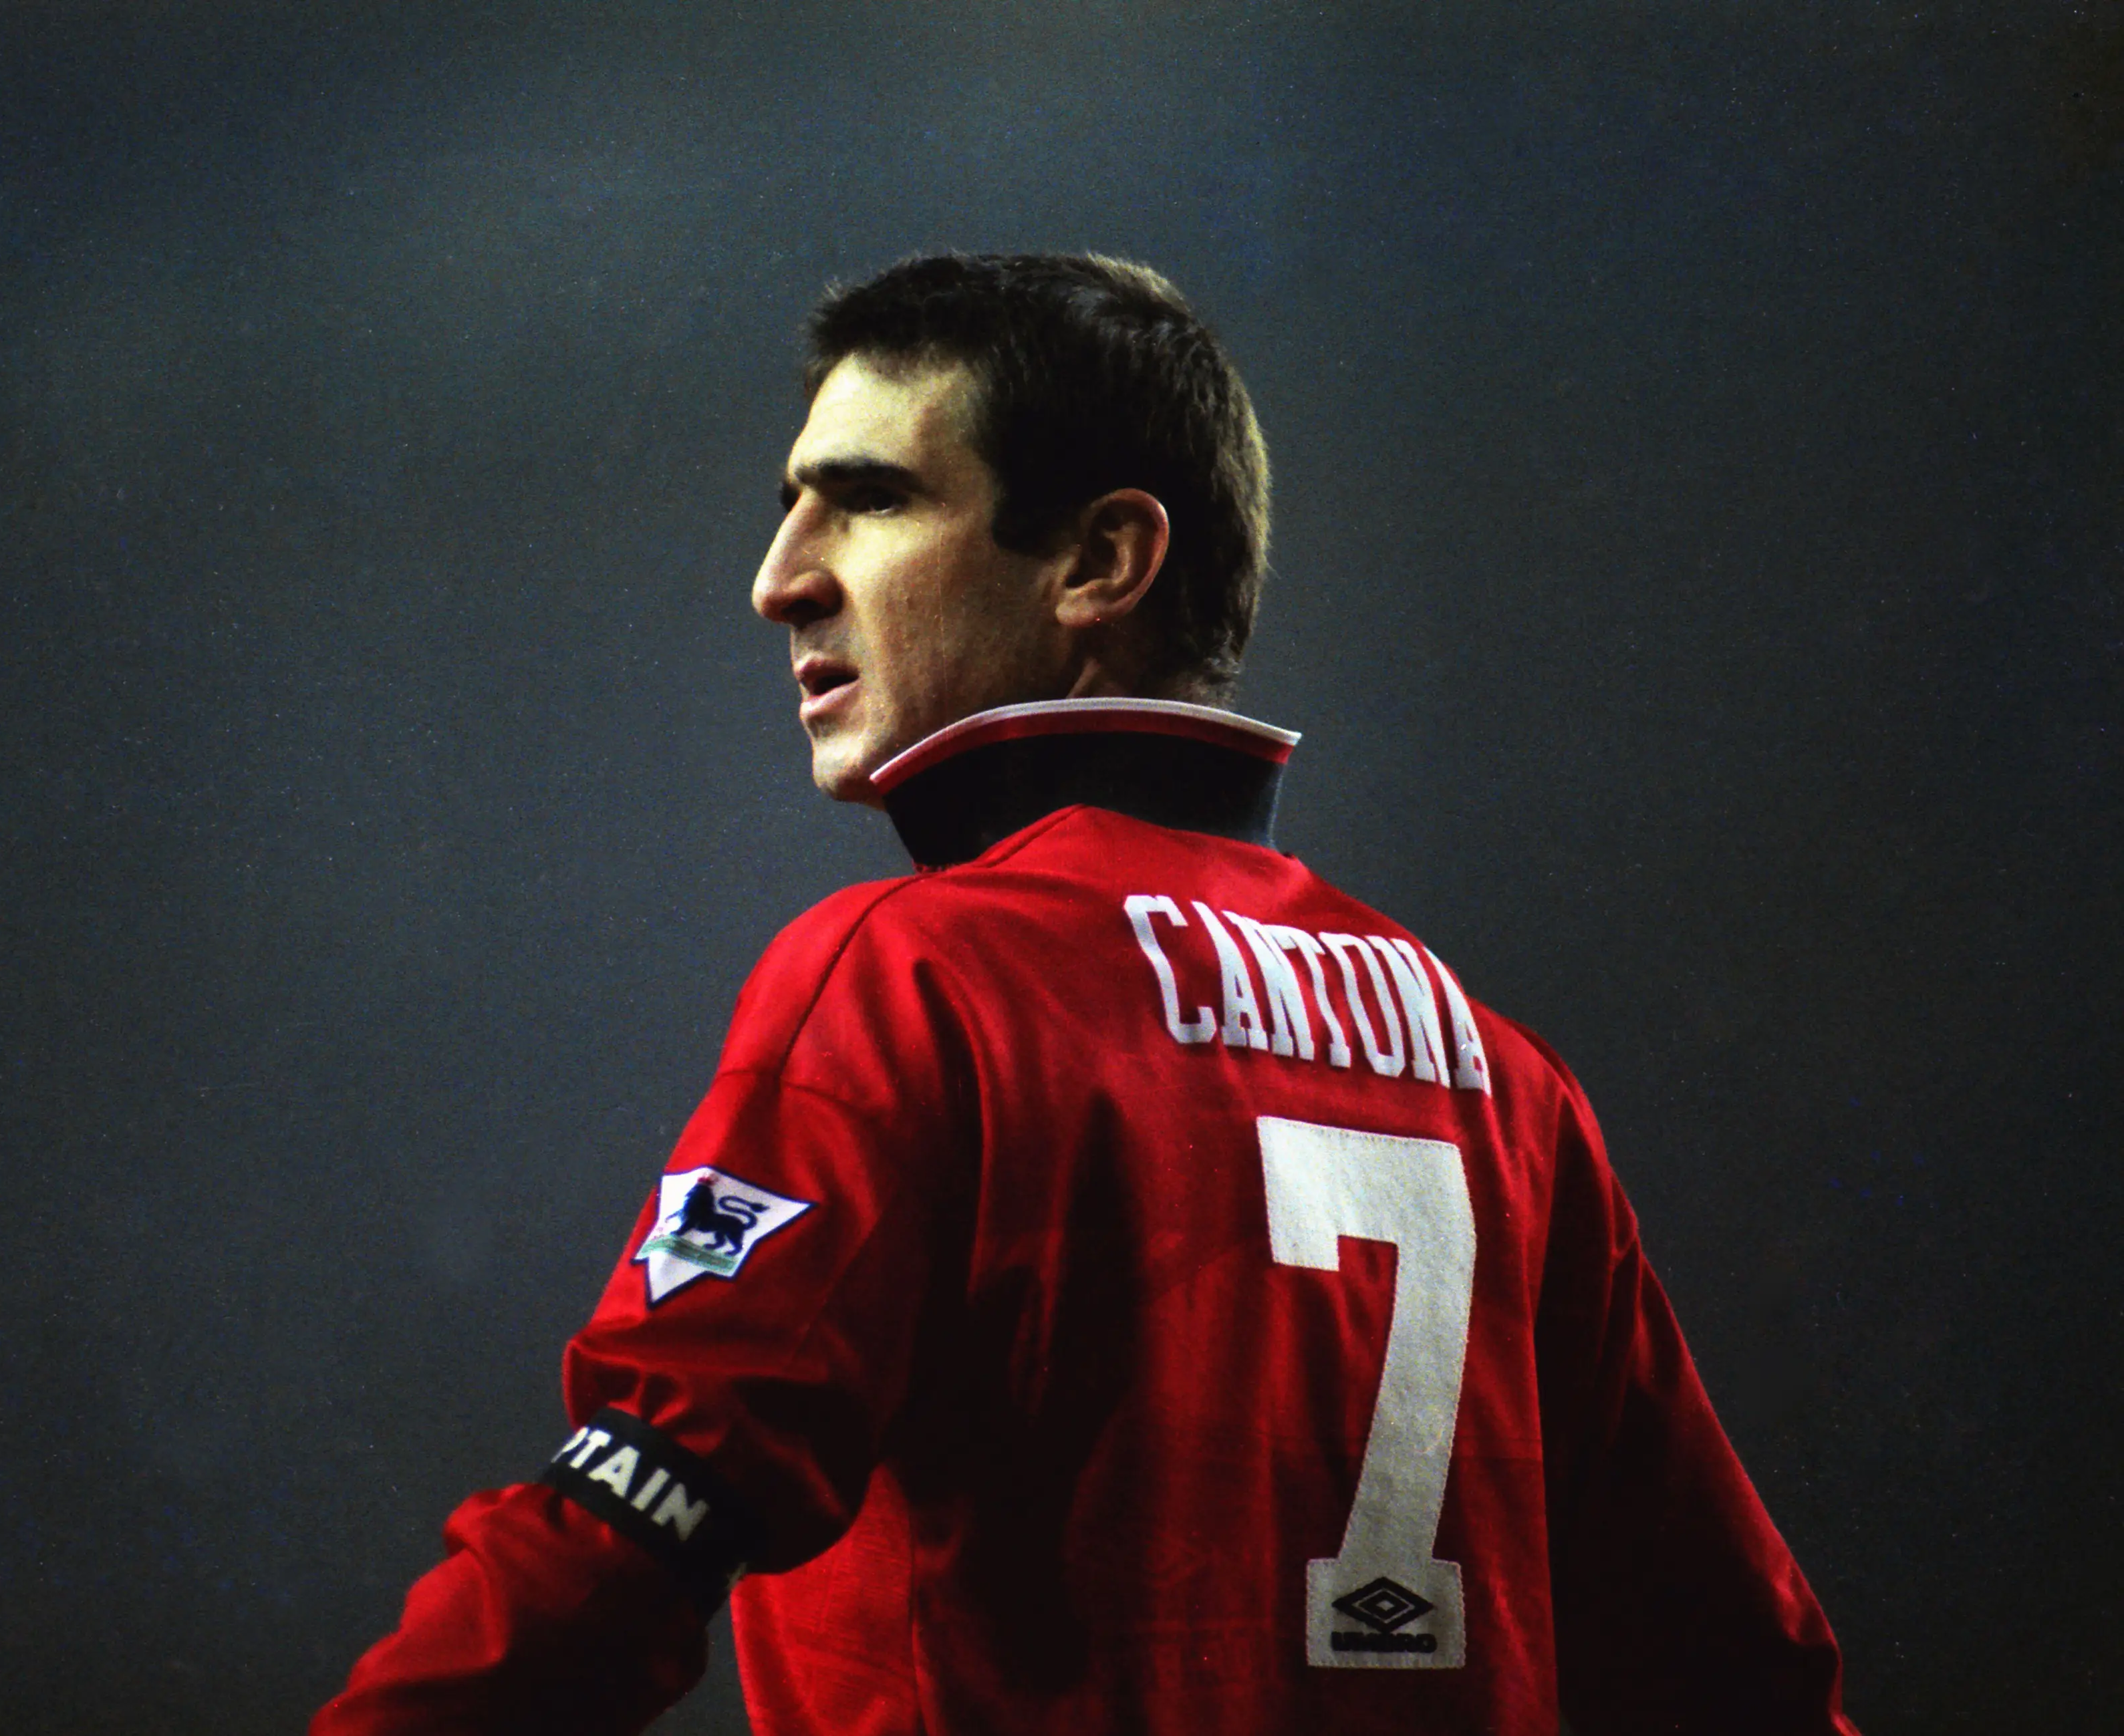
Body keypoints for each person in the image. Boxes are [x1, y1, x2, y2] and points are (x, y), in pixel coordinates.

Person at [311, 253, 1857, 1734]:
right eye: (792, 511)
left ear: (1102, 563)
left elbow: (623, 1537)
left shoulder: (917, 980)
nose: (779, 582)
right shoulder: (1502, 1080)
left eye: (868, 500)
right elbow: (1743, 1687)